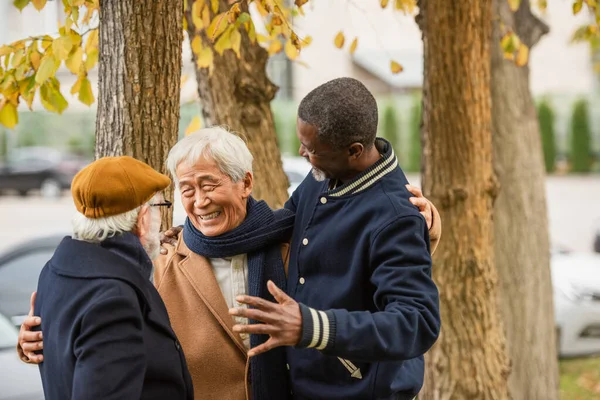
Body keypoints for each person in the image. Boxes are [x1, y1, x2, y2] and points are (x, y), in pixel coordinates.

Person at [19, 125, 441, 399]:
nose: (199, 201)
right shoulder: (161, 266)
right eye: (187, 189)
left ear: (245, 184)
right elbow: (101, 334)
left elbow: (372, 270)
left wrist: (425, 225)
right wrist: (38, 342)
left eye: (209, 184)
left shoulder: (293, 242)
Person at [228, 77, 441, 400]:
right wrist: (200, 235)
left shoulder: (396, 216)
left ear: (354, 151)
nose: (301, 153)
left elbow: (417, 322)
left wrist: (311, 326)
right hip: (307, 385)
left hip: (360, 390)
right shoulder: (324, 178)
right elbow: (282, 222)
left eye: (311, 149)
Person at [29, 156, 193, 400]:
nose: (162, 221)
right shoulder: (114, 299)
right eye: (160, 207)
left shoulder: (53, 272)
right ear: (143, 218)